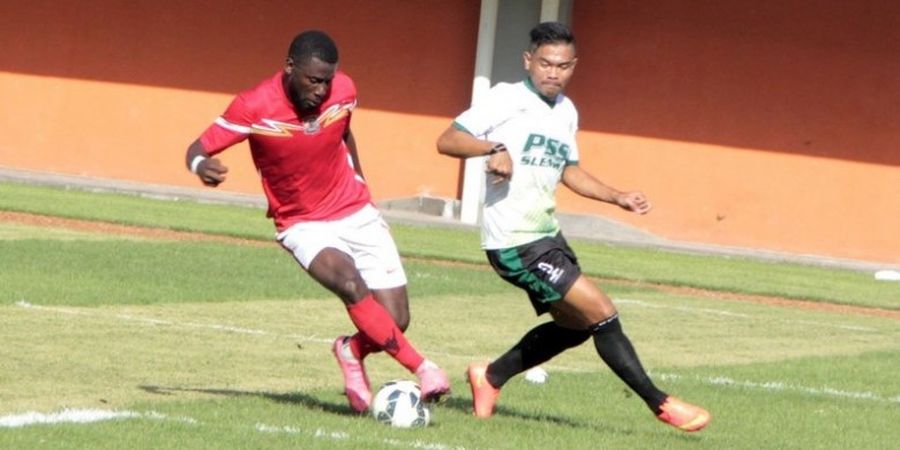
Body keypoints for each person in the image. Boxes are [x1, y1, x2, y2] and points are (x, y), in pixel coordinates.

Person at [436, 22, 710, 432]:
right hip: (514, 240)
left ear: (573, 66)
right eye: (545, 63)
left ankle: (490, 377)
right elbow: (447, 140)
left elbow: (570, 171)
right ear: (529, 60)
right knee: (602, 312)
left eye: (563, 66)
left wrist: (617, 197)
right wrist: (494, 148)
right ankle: (661, 403)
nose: (553, 72)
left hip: (546, 234)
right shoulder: (506, 99)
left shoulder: (566, 111)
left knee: (577, 325)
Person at [185, 30, 450, 413]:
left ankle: (349, 349)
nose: (322, 90)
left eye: (327, 80)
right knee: (349, 283)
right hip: (302, 222)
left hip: (356, 210)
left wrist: (360, 179)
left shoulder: (344, 91)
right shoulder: (254, 105)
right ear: (290, 67)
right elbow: (197, 147)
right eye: (313, 80)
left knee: (396, 319)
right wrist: (200, 165)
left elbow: (343, 129)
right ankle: (425, 369)